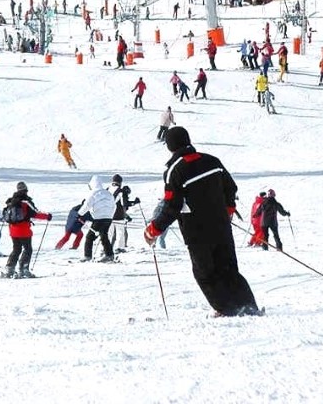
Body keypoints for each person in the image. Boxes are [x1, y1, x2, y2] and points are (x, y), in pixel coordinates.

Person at [144, 126, 259, 316]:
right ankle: (248, 306)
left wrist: (154, 229)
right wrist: (228, 209)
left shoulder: (175, 170)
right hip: (222, 226)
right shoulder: (212, 161)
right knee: (229, 269)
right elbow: (230, 187)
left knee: (205, 273)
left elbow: (172, 205)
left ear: (170, 146)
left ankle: (226, 309)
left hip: (197, 231)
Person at [1, 183, 51, 278]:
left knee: (16, 249)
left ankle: (9, 268)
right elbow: (35, 214)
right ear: (26, 190)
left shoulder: (11, 201)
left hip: (12, 229)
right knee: (28, 249)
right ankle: (23, 268)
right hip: (23, 230)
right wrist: (47, 216)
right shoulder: (26, 202)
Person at [80, 175, 116, 261]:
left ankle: (87, 256)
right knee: (104, 236)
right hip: (108, 218)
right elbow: (114, 206)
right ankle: (109, 254)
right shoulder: (108, 193)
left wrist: (79, 214)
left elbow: (87, 205)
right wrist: (110, 216)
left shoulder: (93, 193)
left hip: (98, 218)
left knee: (90, 237)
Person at [110, 176, 140, 251]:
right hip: (118, 216)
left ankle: (107, 249)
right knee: (121, 232)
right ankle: (120, 248)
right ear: (120, 182)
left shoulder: (108, 189)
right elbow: (125, 204)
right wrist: (134, 202)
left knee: (110, 233)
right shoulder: (121, 191)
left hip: (108, 215)